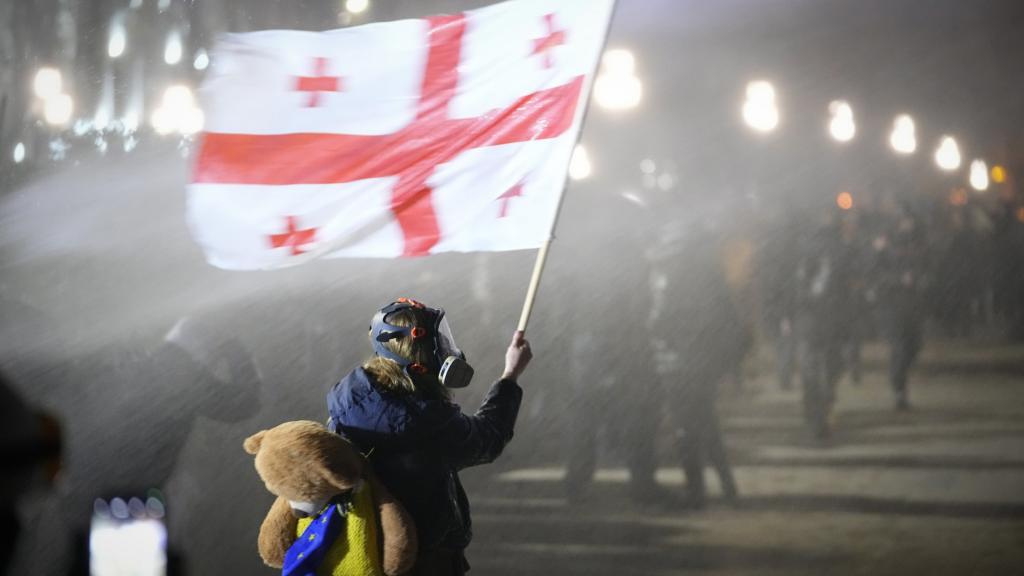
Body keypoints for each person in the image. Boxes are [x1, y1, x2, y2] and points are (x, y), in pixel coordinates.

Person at [326, 299, 531, 576]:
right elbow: (487, 438)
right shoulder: (428, 422)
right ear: (418, 352)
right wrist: (510, 375)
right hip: (426, 562)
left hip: (365, 557)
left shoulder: (350, 404)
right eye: (439, 341)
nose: (447, 349)